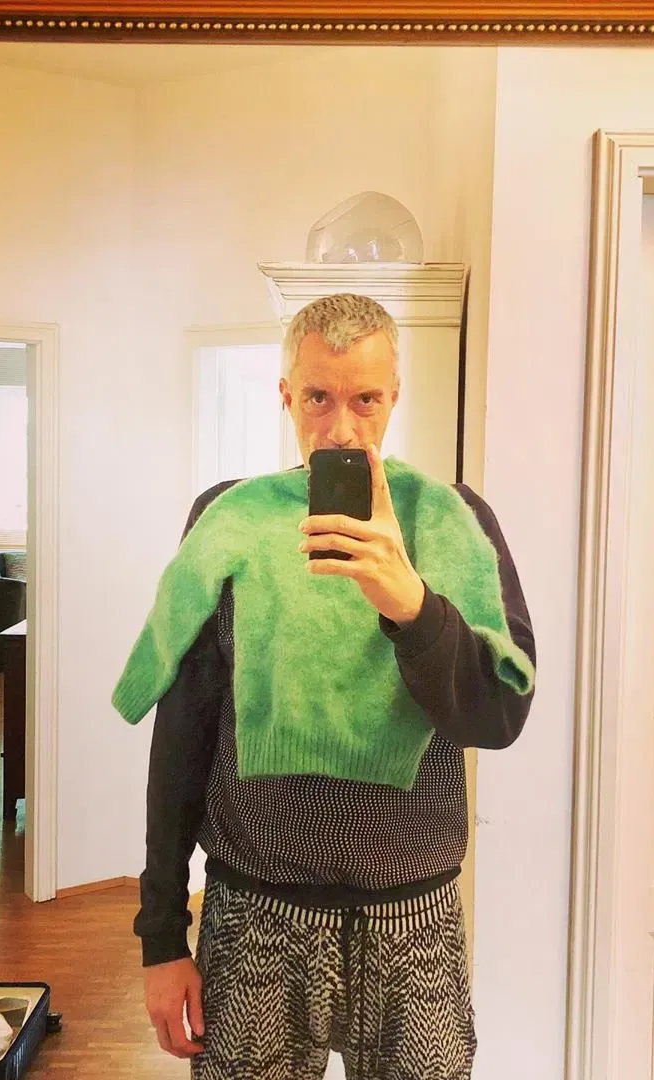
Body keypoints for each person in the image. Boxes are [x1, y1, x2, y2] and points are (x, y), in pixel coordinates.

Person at [114, 293, 536, 1080]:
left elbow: (499, 716)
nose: (341, 429)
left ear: (394, 398)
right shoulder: (228, 518)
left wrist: (411, 606)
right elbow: (183, 734)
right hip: (254, 912)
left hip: (414, 919)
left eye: (365, 400)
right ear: (286, 395)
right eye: (318, 398)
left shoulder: (453, 522)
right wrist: (161, 936)